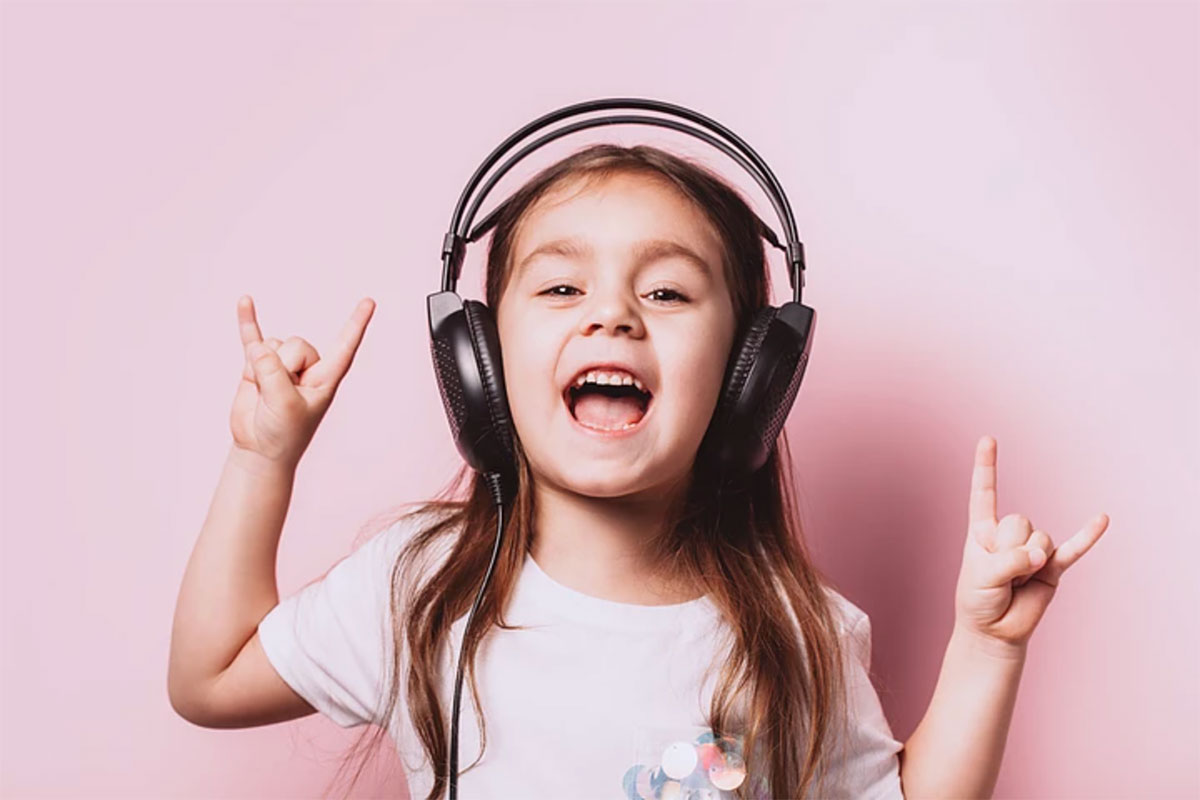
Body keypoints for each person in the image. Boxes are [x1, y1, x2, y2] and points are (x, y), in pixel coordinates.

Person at [167, 143, 1110, 800]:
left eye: (665, 291)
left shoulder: (794, 627)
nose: (612, 316)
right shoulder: (423, 582)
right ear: (479, 366)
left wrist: (990, 648)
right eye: (561, 286)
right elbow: (210, 681)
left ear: (750, 382)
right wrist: (264, 458)